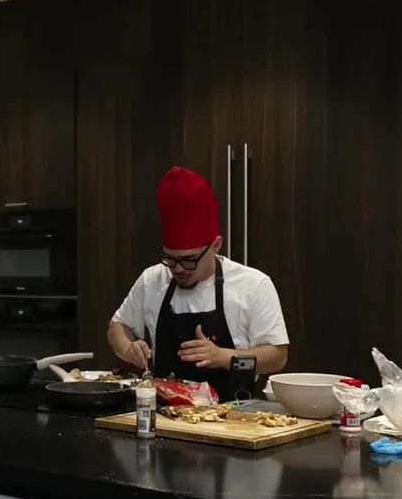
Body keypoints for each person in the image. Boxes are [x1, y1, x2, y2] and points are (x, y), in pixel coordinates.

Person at [107, 166, 289, 394]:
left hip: (233, 411)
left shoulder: (253, 285)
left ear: (216, 246)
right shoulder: (152, 280)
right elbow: (117, 327)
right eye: (170, 259)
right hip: (165, 409)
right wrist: (128, 348)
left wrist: (223, 357)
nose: (178, 269)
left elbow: (277, 356)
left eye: (189, 260)